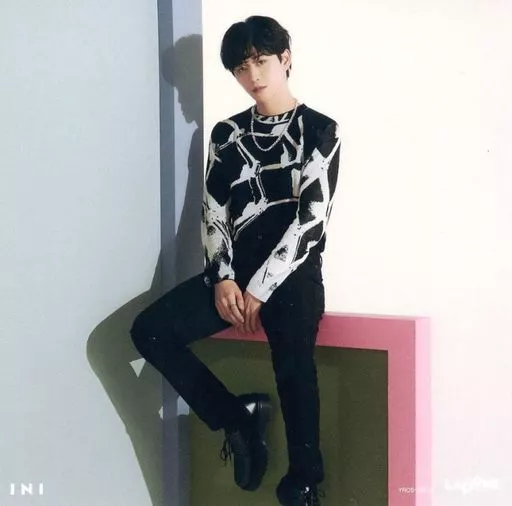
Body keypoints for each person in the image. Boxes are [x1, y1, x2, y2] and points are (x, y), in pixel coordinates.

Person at [130, 15, 341, 506]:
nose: (253, 76)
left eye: (261, 61)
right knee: (150, 331)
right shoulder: (226, 134)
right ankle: (235, 419)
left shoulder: (321, 130)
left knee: (294, 365)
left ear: (285, 59)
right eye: (241, 68)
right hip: (234, 272)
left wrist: (259, 289)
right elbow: (213, 212)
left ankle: (304, 481)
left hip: (292, 274)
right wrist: (224, 278)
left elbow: (310, 223)